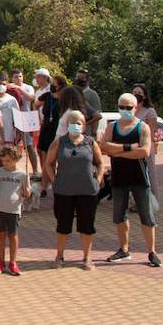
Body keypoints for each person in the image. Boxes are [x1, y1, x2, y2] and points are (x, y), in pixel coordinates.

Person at [100, 93, 160, 267]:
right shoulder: (112, 127)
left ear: (136, 108)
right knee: (119, 216)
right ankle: (123, 250)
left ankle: (152, 252)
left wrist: (117, 150)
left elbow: (144, 152)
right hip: (119, 178)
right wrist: (129, 147)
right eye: (122, 107)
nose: (124, 110)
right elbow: (104, 147)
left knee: (147, 217)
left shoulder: (143, 128)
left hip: (140, 178)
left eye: (128, 107)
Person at [44, 109, 103, 270]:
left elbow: (99, 162)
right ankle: (60, 255)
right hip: (64, 190)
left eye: (78, 123)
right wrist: (54, 180)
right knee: (63, 224)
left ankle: (87, 257)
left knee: (87, 225)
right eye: (72, 123)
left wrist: (97, 179)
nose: (75, 126)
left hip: (87, 190)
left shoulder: (90, 142)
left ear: (84, 126)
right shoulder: (59, 142)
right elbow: (49, 163)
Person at [0, 144, 29, 275]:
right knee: (0, 235)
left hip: (14, 210)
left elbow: (26, 193)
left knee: (13, 236)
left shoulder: (23, 174)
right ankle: (0, 262)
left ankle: (13, 262)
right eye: (3, 161)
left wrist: (27, 192)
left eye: (8, 160)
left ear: (15, 159)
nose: (5, 163)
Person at [131, 83, 160, 196]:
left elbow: (152, 132)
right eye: (135, 93)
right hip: (132, 147)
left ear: (145, 95)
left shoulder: (150, 111)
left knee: (148, 174)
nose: (137, 95)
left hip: (146, 146)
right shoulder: (130, 110)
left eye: (139, 93)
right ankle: (135, 202)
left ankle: (151, 200)